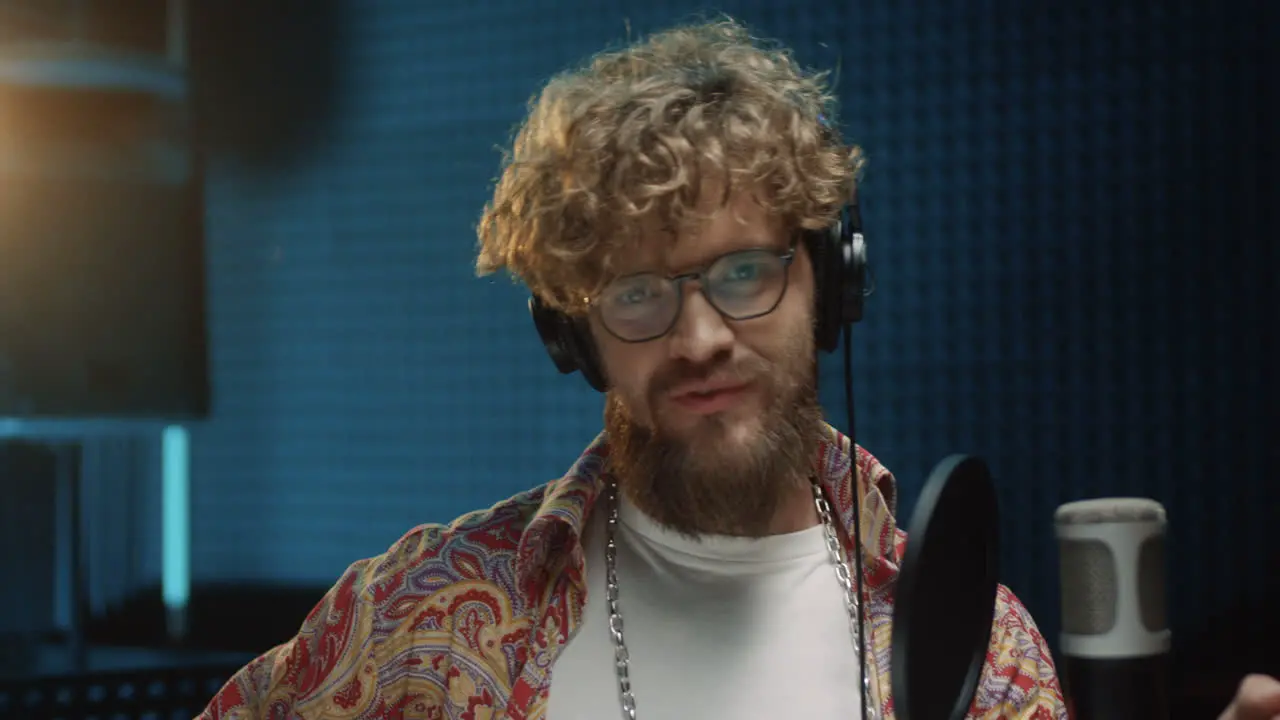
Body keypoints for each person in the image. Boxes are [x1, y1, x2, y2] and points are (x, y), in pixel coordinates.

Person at [197, 18, 1066, 720]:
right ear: (572, 335)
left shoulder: (983, 656)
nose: (699, 339)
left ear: (830, 282)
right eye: (637, 292)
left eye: (743, 273)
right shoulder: (420, 614)